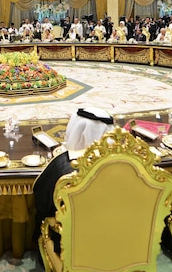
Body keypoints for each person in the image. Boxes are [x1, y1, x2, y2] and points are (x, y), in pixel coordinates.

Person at [33, 107, 114, 257]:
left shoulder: (63, 166)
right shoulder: (129, 165)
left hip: (73, 248)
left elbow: (42, 202)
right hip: (123, 245)